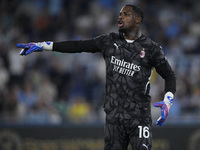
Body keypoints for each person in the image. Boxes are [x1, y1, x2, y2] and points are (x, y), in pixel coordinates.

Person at [16, 4, 176, 150]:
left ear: (137, 19)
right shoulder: (108, 41)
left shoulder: (151, 48)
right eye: (120, 14)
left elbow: (169, 76)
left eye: (125, 14)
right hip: (114, 118)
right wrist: (44, 45)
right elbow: (77, 46)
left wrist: (168, 101)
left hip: (139, 116)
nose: (120, 17)